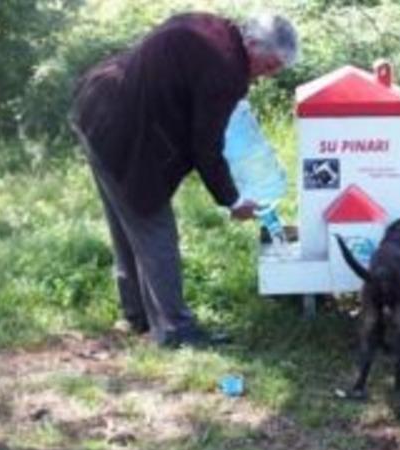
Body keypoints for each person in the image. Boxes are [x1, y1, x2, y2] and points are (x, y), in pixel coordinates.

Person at [70, 12, 299, 346]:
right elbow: (206, 146)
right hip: (123, 132)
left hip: (96, 106)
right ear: (251, 44)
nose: (266, 77)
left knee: (127, 224)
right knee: (154, 230)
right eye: (267, 67)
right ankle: (176, 330)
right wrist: (232, 199)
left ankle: (136, 315)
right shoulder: (227, 71)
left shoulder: (212, 27)